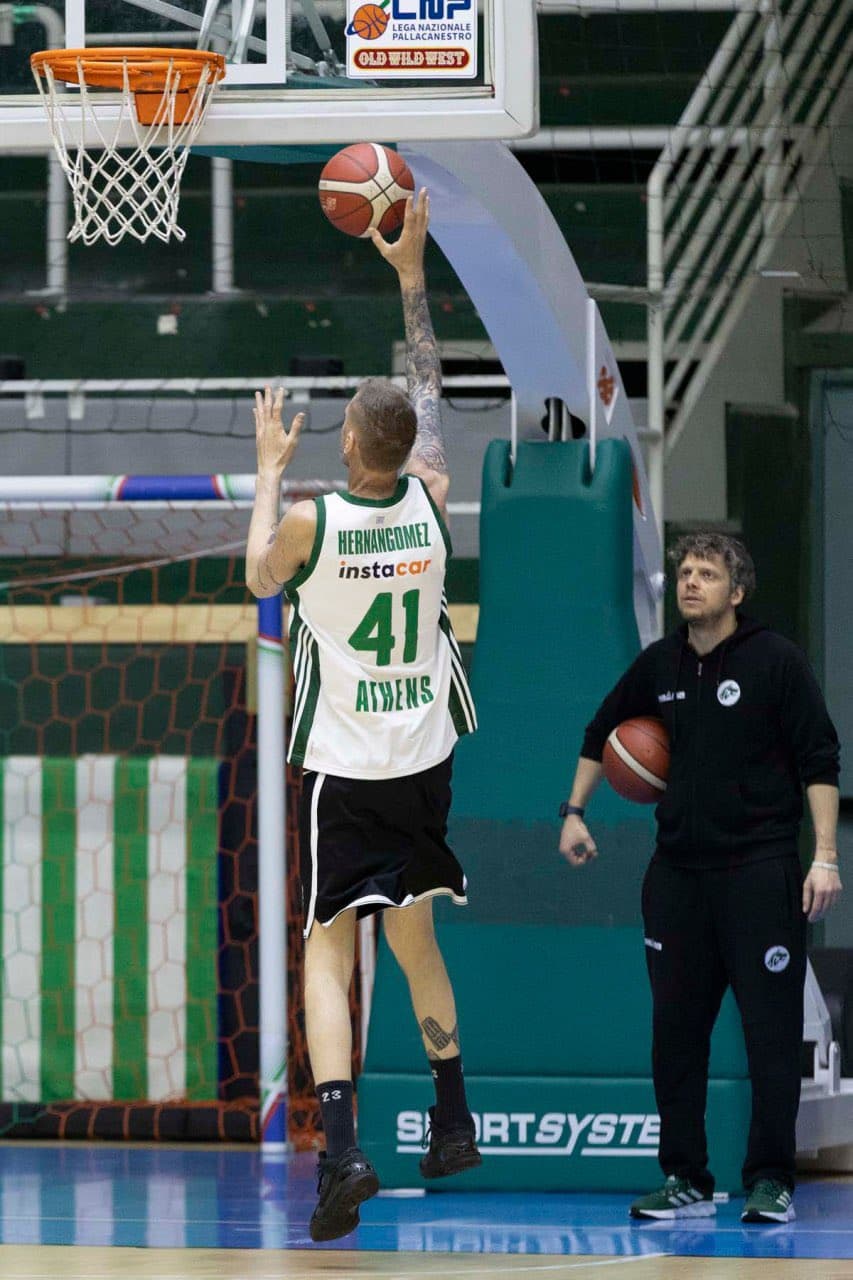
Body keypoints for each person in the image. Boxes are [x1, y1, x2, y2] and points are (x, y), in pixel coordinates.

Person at [245, 190, 481, 1243]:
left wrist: (262, 472)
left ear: (347, 442)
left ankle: (342, 1148)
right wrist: (410, 277)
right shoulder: (432, 497)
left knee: (327, 950)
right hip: (424, 758)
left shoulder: (310, 519)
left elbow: (256, 573)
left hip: (348, 766)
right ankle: (450, 1111)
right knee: (417, 932)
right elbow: (430, 390)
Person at [558, 533, 842, 1224]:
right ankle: (684, 1175)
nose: (690, 582)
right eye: (684, 571)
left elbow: (819, 759)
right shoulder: (659, 663)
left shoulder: (776, 661)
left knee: (769, 1034)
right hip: (677, 877)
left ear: (735, 592)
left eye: (706, 574)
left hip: (760, 872)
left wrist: (825, 855)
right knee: (675, 1033)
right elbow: (601, 732)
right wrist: (574, 812)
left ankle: (770, 1178)